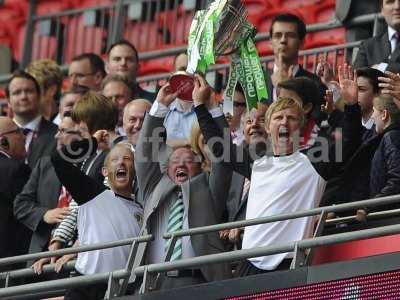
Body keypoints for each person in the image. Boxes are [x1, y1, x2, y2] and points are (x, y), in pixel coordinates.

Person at [194, 66, 362, 275]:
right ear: (268, 127)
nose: (284, 122)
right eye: (278, 117)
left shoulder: (315, 162)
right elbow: (219, 147)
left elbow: (349, 139)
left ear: (299, 126)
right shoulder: (257, 164)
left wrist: (352, 105)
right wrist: (200, 106)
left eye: (291, 118)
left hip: (289, 264)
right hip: (249, 263)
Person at [133, 78, 233, 290]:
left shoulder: (207, 191)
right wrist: (160, 107)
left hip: (198, 282)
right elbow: (143, 155)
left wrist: (210, 107)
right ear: (166, 169)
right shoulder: (154, 187)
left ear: (200, 167)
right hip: (154, 282)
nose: (181, 164)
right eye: (175, 161)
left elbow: (223, 158)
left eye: (188, 161)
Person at [50, 142, 143, 300]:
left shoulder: (141, 209)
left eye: (127, 158)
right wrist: (90, 143)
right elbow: (58, 159)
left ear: (135, 169)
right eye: (115, 159)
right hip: (86, 287)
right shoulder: (93, 195)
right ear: (105, 171)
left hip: (122, 290)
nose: (121, 162)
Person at [13, 115, 81, 265]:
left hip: (74, 256)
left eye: (63, 131)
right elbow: (20, 204)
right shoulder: (45, 164)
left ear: (82, 134)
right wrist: (45, 214)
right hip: (40, 255)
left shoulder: (92, 165)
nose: (56, 136)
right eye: (57, 130)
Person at [266, 13, 326, 105]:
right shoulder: (256, 83)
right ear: (270, 43)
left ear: (302, 43)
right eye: (277, 35)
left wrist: (285, 88)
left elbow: (316, 117)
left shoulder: (315, 83)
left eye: (290, 35)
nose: (283, 40)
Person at [6, 70, 57, 169]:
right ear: (8, 101)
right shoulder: (2, 134)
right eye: (17, 93)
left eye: (29, 91)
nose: (23, 97)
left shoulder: (57, 135)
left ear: (39, 97)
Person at [0, 117, 30, 270]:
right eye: (18, 132)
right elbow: (27, 212)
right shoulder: (15, 170)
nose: (24, 137)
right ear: (3, 141)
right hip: (11, 265)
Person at [71, 91, 119, 185]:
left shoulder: (121, 150)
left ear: (93, 119)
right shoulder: (91, 154)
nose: (76, 128)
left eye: (79, 121)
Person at [353, 0, 400, 72]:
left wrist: (382, 68)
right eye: (390, 1)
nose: (397, 6)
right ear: (382, 9)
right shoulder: (367, 46)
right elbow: (357, 76)